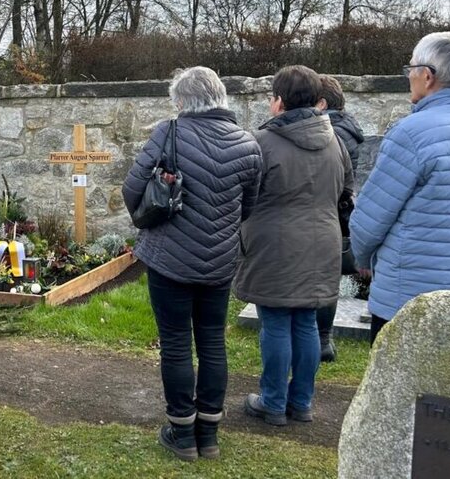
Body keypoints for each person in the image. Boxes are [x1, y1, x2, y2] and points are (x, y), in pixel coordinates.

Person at [123, 66, 262, 460]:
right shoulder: (249, 144)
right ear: (220, 97)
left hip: (169, 259)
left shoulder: (168, 133)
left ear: (181, 102)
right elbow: (247, 207)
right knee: (213, 342)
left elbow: (132, 189)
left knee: (177, 344)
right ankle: (209, 434)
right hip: (220, 261)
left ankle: (182, 433)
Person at [351, 32, 450, 343]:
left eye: (410, 69)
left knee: (396, 389)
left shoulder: (411, 133)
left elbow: (369, 221)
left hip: (409, 297)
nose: (408, 77)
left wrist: (362, 259)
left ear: (427, 76)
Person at [233, 65, 352, 427]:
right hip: (323, 242)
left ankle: (272, 401)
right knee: (306, 324)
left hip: (275, 244)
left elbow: (244, 196)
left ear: (279, 101)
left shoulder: (262, 143)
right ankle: (301, 402)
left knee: (276, 323)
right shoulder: (337, 142)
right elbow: (345, 193)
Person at [314, 75, 365, 363]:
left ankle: (322, 338)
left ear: (322, 103)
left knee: (322, 280)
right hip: (333, 214)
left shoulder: (333, 132)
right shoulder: (345, 127)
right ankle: (323, 339)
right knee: (327, 279)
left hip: (325, 212)